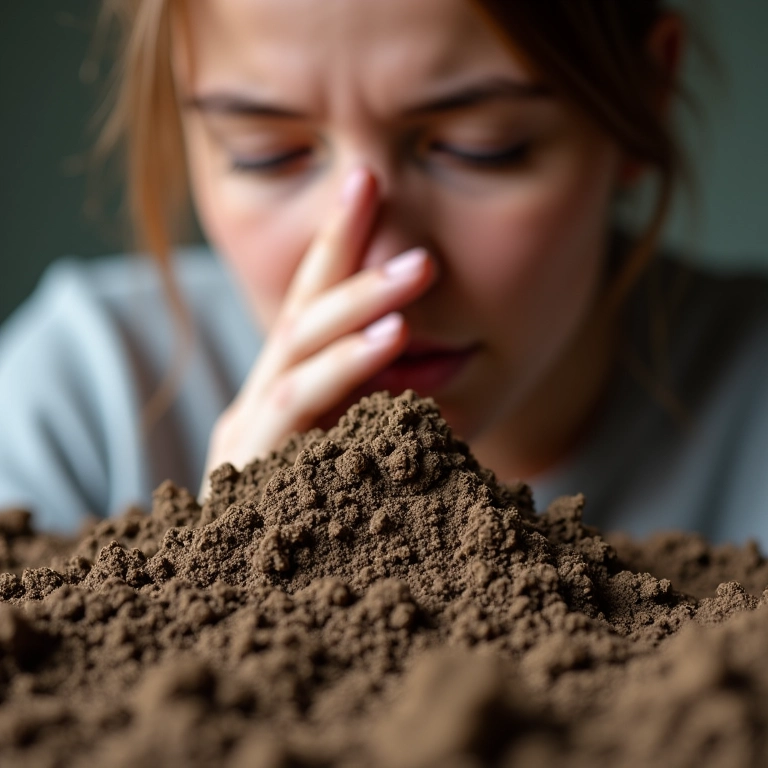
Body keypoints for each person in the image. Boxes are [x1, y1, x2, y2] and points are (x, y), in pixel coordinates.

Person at [1, 0, 767, 545]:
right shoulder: (81, 401)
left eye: (482, 145)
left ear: (643, 101)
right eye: (266, 154)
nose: (375, 259)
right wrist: (221, 557)